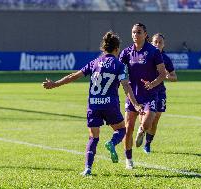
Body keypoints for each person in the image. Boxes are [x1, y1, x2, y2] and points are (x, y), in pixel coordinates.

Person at [42, 31, 143, 176]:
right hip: (110, 105)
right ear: (116, 49)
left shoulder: (94, 63)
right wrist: (136, 105)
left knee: (93, 137)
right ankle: (112, 143)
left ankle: (87, 169)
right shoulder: (120, 65)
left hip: (94, 105)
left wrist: (55, 84)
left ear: (104, 48)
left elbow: (73, 76)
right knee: (121, 130)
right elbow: (126, 86)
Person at [119, 23, 166, 169]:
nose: (135, 35)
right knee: (128, 128)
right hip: (132, 95)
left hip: (150, 95)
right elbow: (119, 72)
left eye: (139, 32)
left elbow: (162, 73)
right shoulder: (126, 53)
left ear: (145, 34)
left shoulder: (153, 52)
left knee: (146, 123)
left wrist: (152, 83)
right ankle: (128, 159)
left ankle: (142, 131)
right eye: (133, 32)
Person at [140, 33, 177, 154]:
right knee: (146, 118)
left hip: (160, 92)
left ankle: (147, 144)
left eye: (160, 42)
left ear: (163, 44)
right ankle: (142, 130)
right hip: (146, 90)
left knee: (155, 119)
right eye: (155, 41)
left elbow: (174, 77)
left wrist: (167, 76)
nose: (157, 44)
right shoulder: (145, 55)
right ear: (151, 42)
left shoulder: (165, 59)